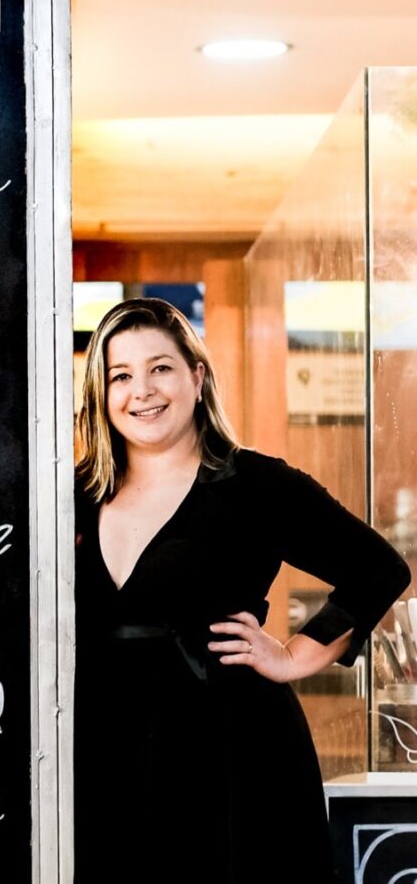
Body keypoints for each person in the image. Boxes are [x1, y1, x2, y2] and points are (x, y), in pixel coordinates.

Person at [72, 297, 410, 884]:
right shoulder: (74, 494)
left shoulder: (255, 484)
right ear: (101, 393)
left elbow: (377, 567)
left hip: (233, 753)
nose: (141, 390)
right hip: (105, 750)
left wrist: (295, 654)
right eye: (120, 375)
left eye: (161, 368)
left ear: (196, 377)